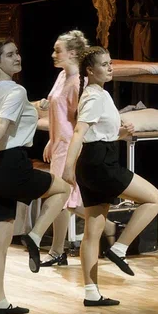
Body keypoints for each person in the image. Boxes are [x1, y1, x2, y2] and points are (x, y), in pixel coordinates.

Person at [0, 38, 70, 314]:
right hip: (11, 164)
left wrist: (36, 105)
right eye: (9, 54)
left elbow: (13, 113)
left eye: (17, 52)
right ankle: (35, 236)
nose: (17, 57)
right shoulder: (16, 90)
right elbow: (1, 124)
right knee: (63, 188)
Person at [63, 46, 158, 306]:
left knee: (93, 231)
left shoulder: (99, 94)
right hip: (100, 164)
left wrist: (121, 133)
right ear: (90, 70)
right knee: (155, 199)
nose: (110, 68)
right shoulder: (94, 97)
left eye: (110, 63)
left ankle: (91, 292)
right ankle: (120, 248)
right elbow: (79, 132)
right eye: (104, 64)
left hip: (95, 160)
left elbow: (98, 134)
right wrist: (67, 167)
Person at [38, 30, 115, 268]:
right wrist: (51, 139)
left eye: (57, 50)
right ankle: (108, 226)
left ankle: (57, 250)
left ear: (72, 53)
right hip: (58, 143)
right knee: (66, 199)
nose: (53, 54)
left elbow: (78, 122)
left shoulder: (78, 84)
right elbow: (58, 113)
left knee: (61, 197)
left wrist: (68, 147)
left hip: (70, 144)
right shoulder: (62, 76)